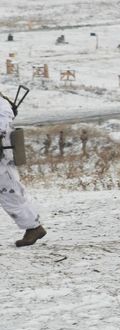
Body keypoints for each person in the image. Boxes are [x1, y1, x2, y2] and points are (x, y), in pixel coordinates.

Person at [0, 94, 47, 247]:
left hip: (2, 155)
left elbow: (3, 126)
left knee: (9, 191)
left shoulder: (1, 105)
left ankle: (34, 227)